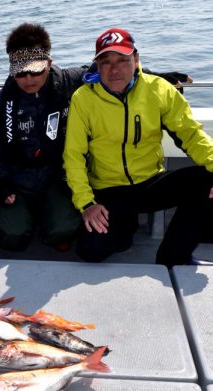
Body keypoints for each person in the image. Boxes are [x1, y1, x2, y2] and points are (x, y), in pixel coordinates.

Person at [0, 23, 190, 253]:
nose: (29, 78)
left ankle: (49, 223)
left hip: (56, 176)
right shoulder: (0, 102)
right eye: (21, 71)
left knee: (64, 229)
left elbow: (106, 68)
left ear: (49, 64)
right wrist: (2, 182)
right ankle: (27, 220)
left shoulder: (66, 82)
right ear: (11, 69)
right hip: (17, 179)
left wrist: (155, 75)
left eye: (36, 69)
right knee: (10, 238)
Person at [63, 27, 213, 267]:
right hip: (108, 188)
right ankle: (124, 227)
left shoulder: (159, 89)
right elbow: (73, 156)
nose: (114, 69)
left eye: (123, 60)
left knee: (207, 179)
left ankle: (173, 257)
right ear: (97, 66)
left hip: (151, 181)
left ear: (136, 59)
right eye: (105, 62)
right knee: (91, 252)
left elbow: (191, 135)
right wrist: (87, 204)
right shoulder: (83, 98)